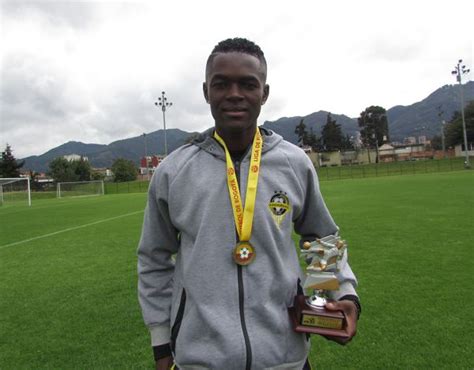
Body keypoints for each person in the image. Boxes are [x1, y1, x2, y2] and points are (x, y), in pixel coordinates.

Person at [137, 37, 360, 370]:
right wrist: (160, 344)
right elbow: (154, 258)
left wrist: (342, 296)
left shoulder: (294, 163)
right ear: (205, 91)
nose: (235, 94)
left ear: (264, 93)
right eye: (222, 84)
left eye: (247, 84)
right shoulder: (173, 171)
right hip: (200, 360)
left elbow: (320, 238)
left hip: (285, 358)